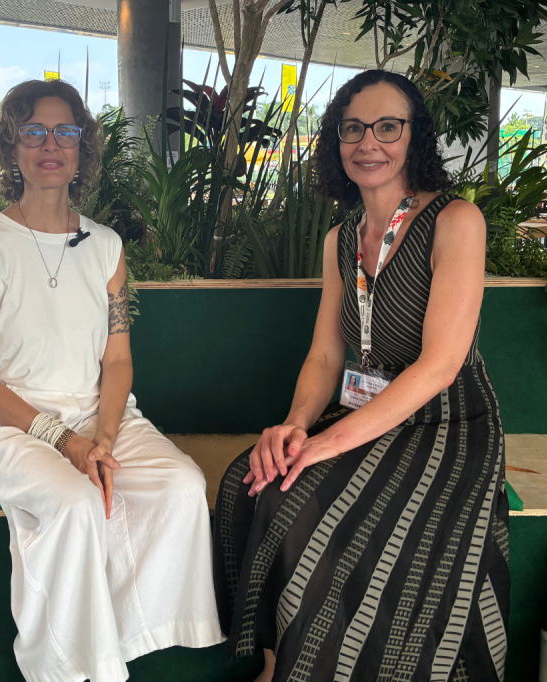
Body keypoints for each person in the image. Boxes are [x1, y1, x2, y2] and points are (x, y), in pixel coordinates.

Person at [213, 70, 507, 682]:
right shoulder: (340, 240)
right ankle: (277, 660)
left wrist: (326, 442)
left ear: (414, 136)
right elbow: (326, 356)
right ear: (336, 140)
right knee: (250, 478)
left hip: (446, 420)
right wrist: (294, 426)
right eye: (353, 128)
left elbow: (440, 365)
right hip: (364, 412)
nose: (368, 142)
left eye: (387, 126)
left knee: (308, 497)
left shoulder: (456, 222)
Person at [0, 79, 222, 682]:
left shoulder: (105, 245)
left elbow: (118, 361)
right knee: (75, 504)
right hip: (6, 423)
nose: (52, 144)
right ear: (12, 146)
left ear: (82, 146)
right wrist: (63, 441)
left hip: (97, 413)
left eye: (66, 131)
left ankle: (111, 639)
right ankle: (64, 668)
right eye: (35, 131)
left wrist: (101, 434)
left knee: (181, 485)